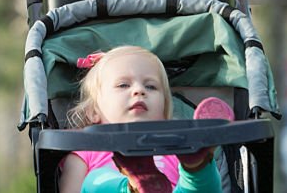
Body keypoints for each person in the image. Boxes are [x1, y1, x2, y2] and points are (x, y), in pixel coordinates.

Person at [60, 46, 230, 193]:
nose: (139, 90)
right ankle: (132, 187)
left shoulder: (175, 148)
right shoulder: (86, 150)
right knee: (94, 181)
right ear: (93, 111)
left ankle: (196, 166)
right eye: (123, 85)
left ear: (164, 112)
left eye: (151, 86)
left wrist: (189, 153)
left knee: (190, 182)